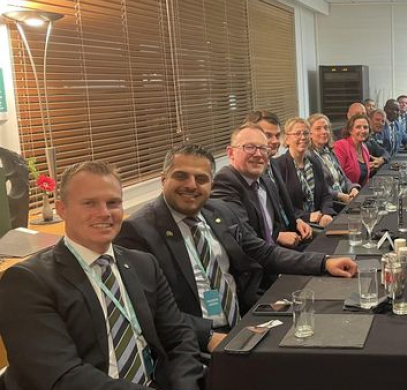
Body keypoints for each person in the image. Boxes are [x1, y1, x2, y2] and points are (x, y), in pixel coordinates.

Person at [0, 161, 256, 390]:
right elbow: (62, 380)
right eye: (89, 203)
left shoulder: (141, 264)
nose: (104, 213)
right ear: (63, 209)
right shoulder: (29, 282)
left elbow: (179, 338)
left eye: (113, 203)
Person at [117, 145, 355, 353]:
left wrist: (323, 263)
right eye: (181, 176)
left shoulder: (218, 211)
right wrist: (207, 337)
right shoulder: (137, 231)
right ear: (163, 179)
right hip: (195, 344)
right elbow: (150, 310)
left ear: (211, 182)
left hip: (244, 320)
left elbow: (263, 252)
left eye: (201, 179)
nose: (191, 185)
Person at [212, 124, 312, 249]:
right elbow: (247, 243)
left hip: (280, 252)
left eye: (263, 148)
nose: (259, 154)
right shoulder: (225, 182)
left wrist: (296, 222)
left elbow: (273, 228)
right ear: (231, 153)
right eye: (250, 147)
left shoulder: (266, 182)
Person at [274, 117, 336, 227]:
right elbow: (281, 205)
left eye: (306, 133)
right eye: (297, 134)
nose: (302, 137)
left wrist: (327, 213)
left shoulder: (314, 162)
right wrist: (307, 216)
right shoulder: (278, 166)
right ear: (287, 139)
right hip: (297, 226)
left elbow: (325, 194)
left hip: (320, 222)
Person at [308, 112, 360, 205]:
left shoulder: (329, 151)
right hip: (328, 204)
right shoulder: (308, 156)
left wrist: (352, 188)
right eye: (318, 129)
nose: (324, 131)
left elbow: (343, 178)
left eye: (326, 128)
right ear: (309, 133)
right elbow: (318, 188)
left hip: (343, 199)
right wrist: (339, 195)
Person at [334, 113, 372, 186]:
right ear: (350, 130)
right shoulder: (340, 146)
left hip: (360, 193)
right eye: (358, 127)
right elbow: (338, 177)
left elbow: (365, 180)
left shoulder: (364, 148)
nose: (363, 131)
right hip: (346, 194)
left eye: (365, 127)